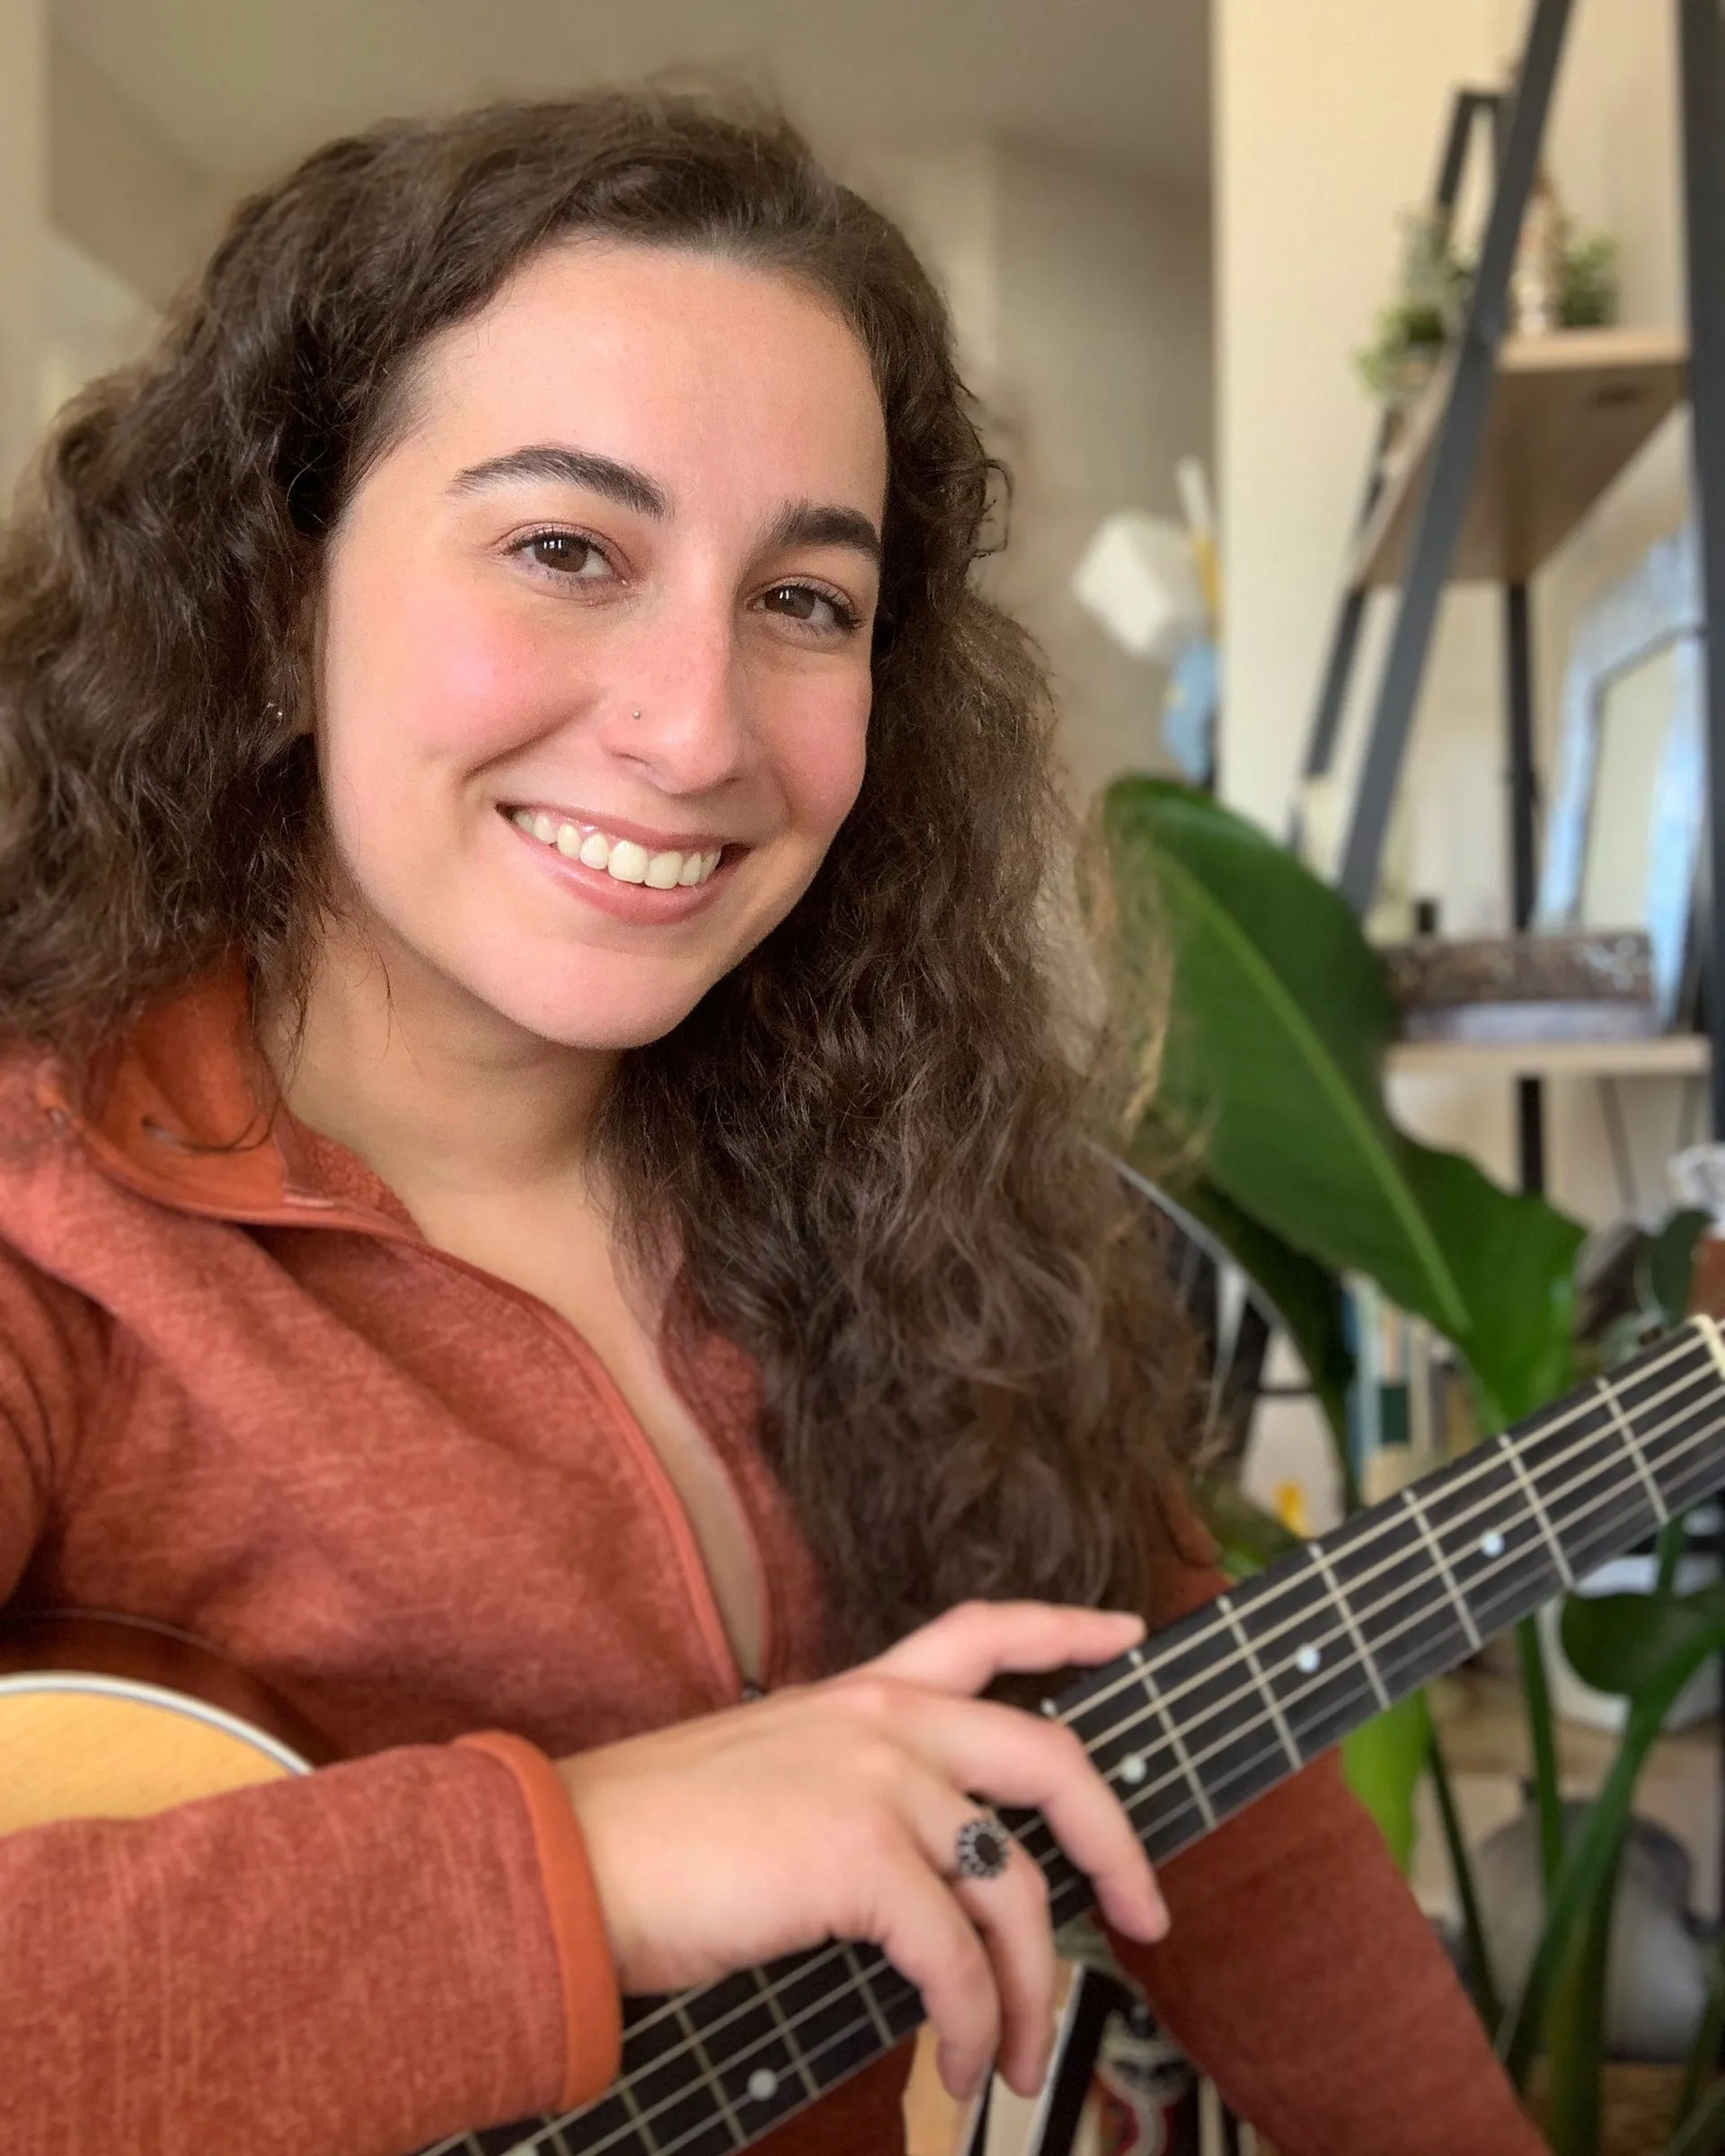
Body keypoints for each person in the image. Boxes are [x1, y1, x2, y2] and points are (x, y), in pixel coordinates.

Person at [0, 92, 1541, 2156]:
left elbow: (1223, 1816)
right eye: (566, 550)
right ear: (277, 608)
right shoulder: (45, 1224)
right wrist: (595, 1863)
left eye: (806, 601)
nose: (700, 728)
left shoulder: (917, 1188)